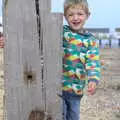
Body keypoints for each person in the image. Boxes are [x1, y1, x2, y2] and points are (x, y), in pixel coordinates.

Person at [62, 0, 101, 120]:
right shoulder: (62, 32)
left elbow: (93, 62)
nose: (75, 18)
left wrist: (93, 79)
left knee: (73, 116)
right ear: (65, 16)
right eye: (70, 14)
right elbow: (37, 36)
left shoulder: (91, 40)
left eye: (80, 14)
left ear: (87, 15)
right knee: (58, 115)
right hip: (58, 88)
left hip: (76, 91)